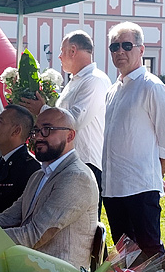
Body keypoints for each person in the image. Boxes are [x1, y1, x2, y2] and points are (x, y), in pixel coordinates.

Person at [0, 108, 99, 270]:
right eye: (36, 130)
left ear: (70, 136)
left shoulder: (76, 177)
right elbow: (8, 218)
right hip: (28, 269)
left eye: (47, 130)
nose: (38, 136)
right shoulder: (39, 175)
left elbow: (35, 235)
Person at [102, 22, 165, 262]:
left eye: (127, 45)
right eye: (114, 46)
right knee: (125, 255)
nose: (120, 51)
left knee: (149, 255)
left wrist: (155, 176)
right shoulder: (113, 90)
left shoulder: (152, 87)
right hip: (113, 188)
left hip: (140, 189)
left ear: (141, 49)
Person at [19, 30, 111, 205]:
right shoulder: (75, 81)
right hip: (68, 161)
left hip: (86, 162)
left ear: (73, 50)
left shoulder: (94, 80)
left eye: (62, 51)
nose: (59, 57)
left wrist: (43, 109)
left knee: (82, 223)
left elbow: (75, 121)